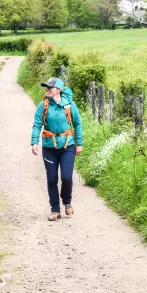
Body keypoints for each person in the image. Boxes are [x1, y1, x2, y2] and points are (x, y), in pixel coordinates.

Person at [31, 77, 83, 221]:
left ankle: (67, 201)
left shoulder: (69, 105)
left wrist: (79, 144)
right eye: (46, 87)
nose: (47, 90)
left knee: (66, 176)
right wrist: (34, 142)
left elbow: (77, 124)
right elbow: (37, 125)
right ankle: (55, 209)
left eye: (50, 88)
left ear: (58, 90)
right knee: (52, 179)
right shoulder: (43, 106)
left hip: (68, 146)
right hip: (49, 147)